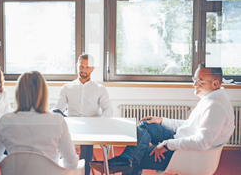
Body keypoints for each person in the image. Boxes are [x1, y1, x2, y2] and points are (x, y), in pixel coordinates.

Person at [90, 63, 235, 175]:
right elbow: (190, 125)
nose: (194, 84)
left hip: (186, 154)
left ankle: (126, 160)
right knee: (147, 125)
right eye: (194, 79)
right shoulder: (211, 98)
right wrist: (162, 120)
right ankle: (126, 159)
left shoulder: (215, 108)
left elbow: (201, 143)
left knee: (137, 155)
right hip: (182, 140)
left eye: (199, 81)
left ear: (215, 83)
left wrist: (166, 145)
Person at [0, 71, 79, 168]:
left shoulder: (4, 121)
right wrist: (55, 163)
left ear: (18, 93)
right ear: (44, 93)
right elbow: (72, 163)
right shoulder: (57, 121)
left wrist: (9, 161)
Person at [53, 54, 113, 175]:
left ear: (92, 69)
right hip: (71, 125)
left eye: (87, 67)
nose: (84, 70)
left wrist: (98, 123)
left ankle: (84, 173)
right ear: (77, 66)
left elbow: (108, 110)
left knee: (87, 140)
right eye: (81, 67)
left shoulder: (100, 89)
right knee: (53, 113)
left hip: (91, 127)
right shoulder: (67, 88)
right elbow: (57, 108)